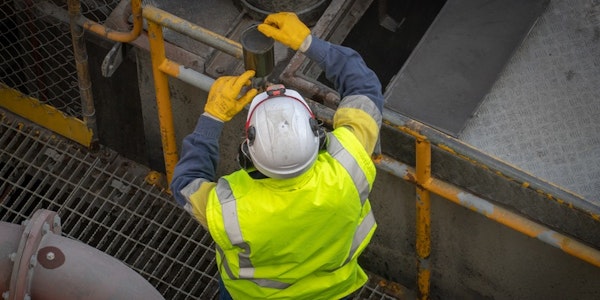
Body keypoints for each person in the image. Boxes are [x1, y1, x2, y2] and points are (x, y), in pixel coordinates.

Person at [170, 12, 384, 300]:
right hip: (334, 292)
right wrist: (309, 43)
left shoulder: (228, 208)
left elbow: (185, 183)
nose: (273, 88)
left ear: (247, 150)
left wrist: (213, 115)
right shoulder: (349, 162)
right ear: (316, 133)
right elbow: (365, 88)